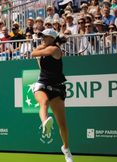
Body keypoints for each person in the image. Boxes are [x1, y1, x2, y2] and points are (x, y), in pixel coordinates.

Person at [31, 29, 73, 162]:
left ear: (52, 38)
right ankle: (45, 124)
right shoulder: (47, 45)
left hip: (57, 87)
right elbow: (34, 52)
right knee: (43, 103)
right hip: (42, 84)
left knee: (63, 125)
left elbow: (34, 52)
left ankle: (66, 149)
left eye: (45, 36)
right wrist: (47, 43)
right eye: (42, 36)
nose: (42, 38)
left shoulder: (54, 50)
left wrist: (50, 43)